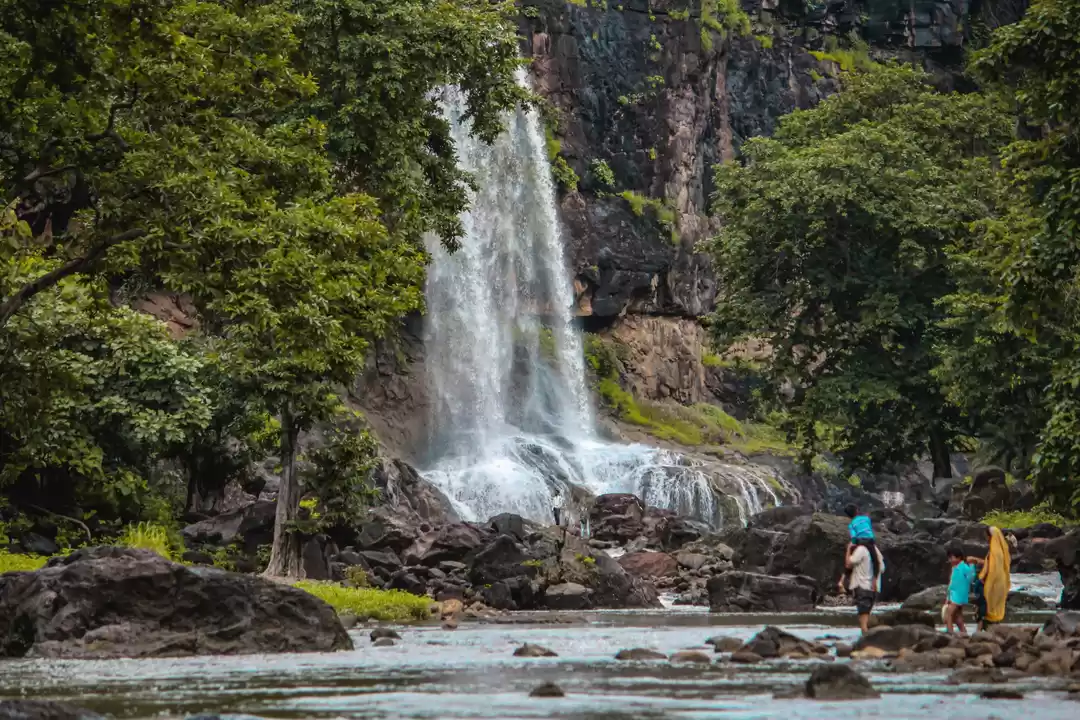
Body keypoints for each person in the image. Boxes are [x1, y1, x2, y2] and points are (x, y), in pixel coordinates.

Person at [967, 525, 1011, 630]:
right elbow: (992, 564)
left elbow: (991, 568)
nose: (986, 539)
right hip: (999, 583)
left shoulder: (994, 551)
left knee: (983, 608)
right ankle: (992, 631)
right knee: (992, 608)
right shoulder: (1001, 551)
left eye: (987, 536)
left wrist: (982, 580)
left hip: (990, 583)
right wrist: (977, 560)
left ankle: (979, 631)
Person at [843, 539, 884, 634]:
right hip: (874, 589)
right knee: (866, 616)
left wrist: (849, 549)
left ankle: (865, 642)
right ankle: (867, 641)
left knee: (863, 622)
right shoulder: (876, 550)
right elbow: (882, 568)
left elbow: (848, 564)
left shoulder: (861, 549)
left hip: (862, 587)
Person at [944, 543, 976, 635]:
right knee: (958, 618)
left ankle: (950, 633)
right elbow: (951, 583)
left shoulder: (963, 567)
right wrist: (948, 597)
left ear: (959, 558)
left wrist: (972, 566)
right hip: (954, 594)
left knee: (948, 614)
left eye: (952, 557)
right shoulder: (954, 568)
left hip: (959, 595)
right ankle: (964, 634)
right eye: (949, 558)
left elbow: (971, 578)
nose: (950, 560)